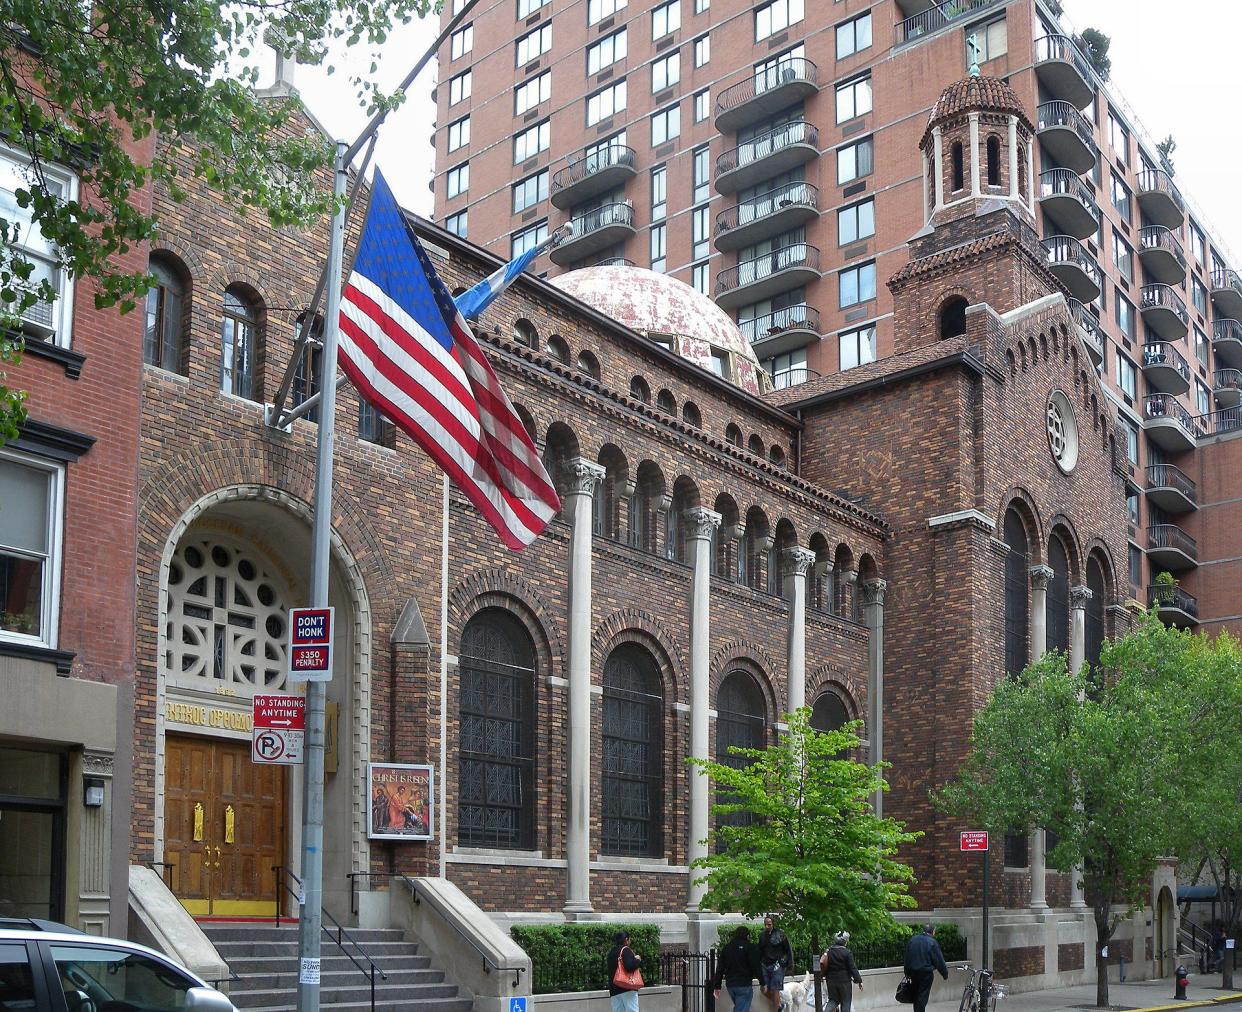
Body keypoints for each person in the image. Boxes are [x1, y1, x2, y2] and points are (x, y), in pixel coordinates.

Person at [713, 926, 761, 1012]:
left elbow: (720, 968)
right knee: (741, 1008)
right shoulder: (749, 947)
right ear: (747, 936)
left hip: (731, 984)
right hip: (744, 983)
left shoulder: (727, 948)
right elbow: (755, 966)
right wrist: (762, 981)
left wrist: (717, 985)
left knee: (740, 1007)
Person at [904, 924, 949, 1012]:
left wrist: (907, 972)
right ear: (933, 931)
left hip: (913, 972)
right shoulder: (932, 942)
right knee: (921, 996)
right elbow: (938, 960)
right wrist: (945, 974)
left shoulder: (913, 939)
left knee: (917, 995)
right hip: (925, 973)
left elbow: (907, 957)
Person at [820, 931, 863, 1012]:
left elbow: (825, 965)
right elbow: (852, 968)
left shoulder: (829, 951)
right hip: (844, 982)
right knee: (846, 1001)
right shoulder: (847, 952)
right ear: (845, 942)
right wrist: (859, 981)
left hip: (831, 981)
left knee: (833, 1000)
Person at [759, 915, 794, 1011]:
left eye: (769, 924)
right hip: (765, 964)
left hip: (777, 964)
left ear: (773, 924)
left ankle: (777, 1007)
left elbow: (788, 950)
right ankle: (779, 1004)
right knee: (763, 989)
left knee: (775, 990)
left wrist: (788, 964)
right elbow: (760, 950)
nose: (767, 926)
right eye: (765, 924)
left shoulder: (781, 934)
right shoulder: (762, 935)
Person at [606, 930, 643, 1012]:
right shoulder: (626, 950)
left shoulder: (611, 952)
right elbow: (629, 966)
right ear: (626, 940)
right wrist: (637, 960)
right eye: (629, 939)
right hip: (627, 987)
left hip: (614, 989)